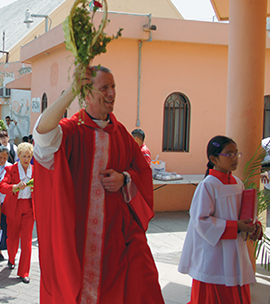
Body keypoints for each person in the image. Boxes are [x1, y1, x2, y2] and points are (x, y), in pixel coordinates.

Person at [33, 66, 164, 303]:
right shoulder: (71, 131)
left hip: (116, 240)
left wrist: (124, 178)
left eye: (113, 86)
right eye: (104, 87)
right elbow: (42, 136)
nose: (112, 93)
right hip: (78, 239)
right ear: (86, 94)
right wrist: (69, 93)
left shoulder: (121, 133)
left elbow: (141, 172)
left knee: (141, 286)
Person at [178, 136, 263, 303]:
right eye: (229, 154)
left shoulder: (238, 183)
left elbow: (244, 213)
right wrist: (235, 227)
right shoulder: (208, 185)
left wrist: (254, 225)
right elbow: (201, 220)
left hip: (235, 251)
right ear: (213, 159)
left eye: (236, 154)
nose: (234, 158)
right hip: (214, 254)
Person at [0, 142, 34, 284]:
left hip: (29, 207)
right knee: (12, 237)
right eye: (24, 156)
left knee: (26, 241)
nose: (26, 159)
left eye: (29, 156)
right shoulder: (10, 169)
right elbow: (2, 186)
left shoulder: (35, 170)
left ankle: (24, 272)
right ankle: (11, 258)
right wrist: (14, 187)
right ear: (18, 155)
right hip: (14, 206)